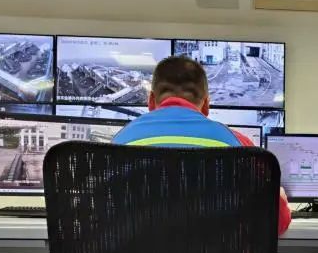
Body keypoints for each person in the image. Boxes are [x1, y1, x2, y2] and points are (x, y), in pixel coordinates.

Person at [113, 56, 291, 235]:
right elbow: (277, 223)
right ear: (206, 104)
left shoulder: (120, 142)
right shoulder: (239, 146)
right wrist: (280, 196)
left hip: (141, 252)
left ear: (151, 101)